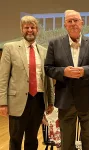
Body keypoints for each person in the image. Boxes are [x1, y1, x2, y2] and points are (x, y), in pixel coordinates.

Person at [44, 10, 89, 150]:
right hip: (65, 101)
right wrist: (63, 72)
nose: (73, 24)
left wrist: (85, 71)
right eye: (69, 21)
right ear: (65, 24)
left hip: (88, 101)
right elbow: (48, 68)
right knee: (66, 142)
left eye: (76, 20)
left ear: (82, 23)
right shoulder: (54, 43)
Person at [0, 16, 54, 150]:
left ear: (37, 30)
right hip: (17, 101)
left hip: (38, 101)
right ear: (21, 29)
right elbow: (3, 77)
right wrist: (2, 103)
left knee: (32, 139)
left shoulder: (43, 51)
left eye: (33, 27)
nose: (30, 30)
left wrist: (51, 101)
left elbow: (47, 78)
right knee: (15, 139)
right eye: (26, 27)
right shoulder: (10, 48)